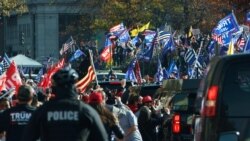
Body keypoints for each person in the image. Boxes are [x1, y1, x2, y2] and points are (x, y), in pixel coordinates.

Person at [21, 67, 108, 141]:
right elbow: (103, 138)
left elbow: (27, 137)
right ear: (74, 86)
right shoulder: (86, 111)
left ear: (55, 87)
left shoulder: (43, 110)